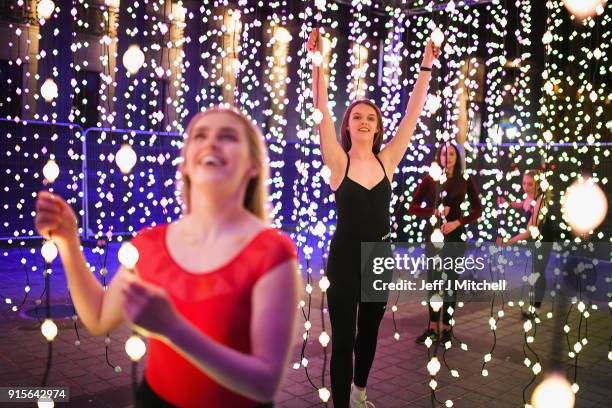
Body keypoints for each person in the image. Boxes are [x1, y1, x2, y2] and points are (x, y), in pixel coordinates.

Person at [34, 107, 301, 407]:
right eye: (200, 136)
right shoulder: (149, 244)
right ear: (185, 163)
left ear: (253, 165)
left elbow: (265, 384)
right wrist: (68, 243)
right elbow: (98, 317)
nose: (211, 143)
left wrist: (174, 329)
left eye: (227, 137)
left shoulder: (272, 251)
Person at [307, 27, 440, 407]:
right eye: (357, 117)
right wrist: (318, 61)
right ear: (348, 125)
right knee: (344, 338)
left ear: (378, 127)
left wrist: (426, 65)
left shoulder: (388, 161)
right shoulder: (338, 161)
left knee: (369, 334)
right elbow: (323, 114)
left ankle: (360, 392)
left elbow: (413, 114)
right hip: (346, 257)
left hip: (379, 257)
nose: (364, 121)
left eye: (371, 117)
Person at [409, 142, 482, 345]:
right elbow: (412, 207)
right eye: (443, 153)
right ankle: (432, 327)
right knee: (434, 281)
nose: (447, 157)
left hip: (455, 236)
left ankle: (447, 329)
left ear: (457, 158)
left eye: (451, 154)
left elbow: (478, 210)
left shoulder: (465, 180)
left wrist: (457, 222)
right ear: (438, 156)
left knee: (450, 282)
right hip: (434, 236)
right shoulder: (431, 179)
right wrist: (435, 212)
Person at [497, 169, 554, 319]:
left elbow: (530, 231)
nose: (526, 187)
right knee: (536, 271)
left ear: (538, 185)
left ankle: (536, 308)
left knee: (538, 272)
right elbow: (523, 205)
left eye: (530, 184)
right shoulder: (530, 196)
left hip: (544, 240)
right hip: (536, 239)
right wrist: (508, 204)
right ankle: (534, 306)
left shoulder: (541, 201)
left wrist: (508, 242)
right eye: (524, 183)